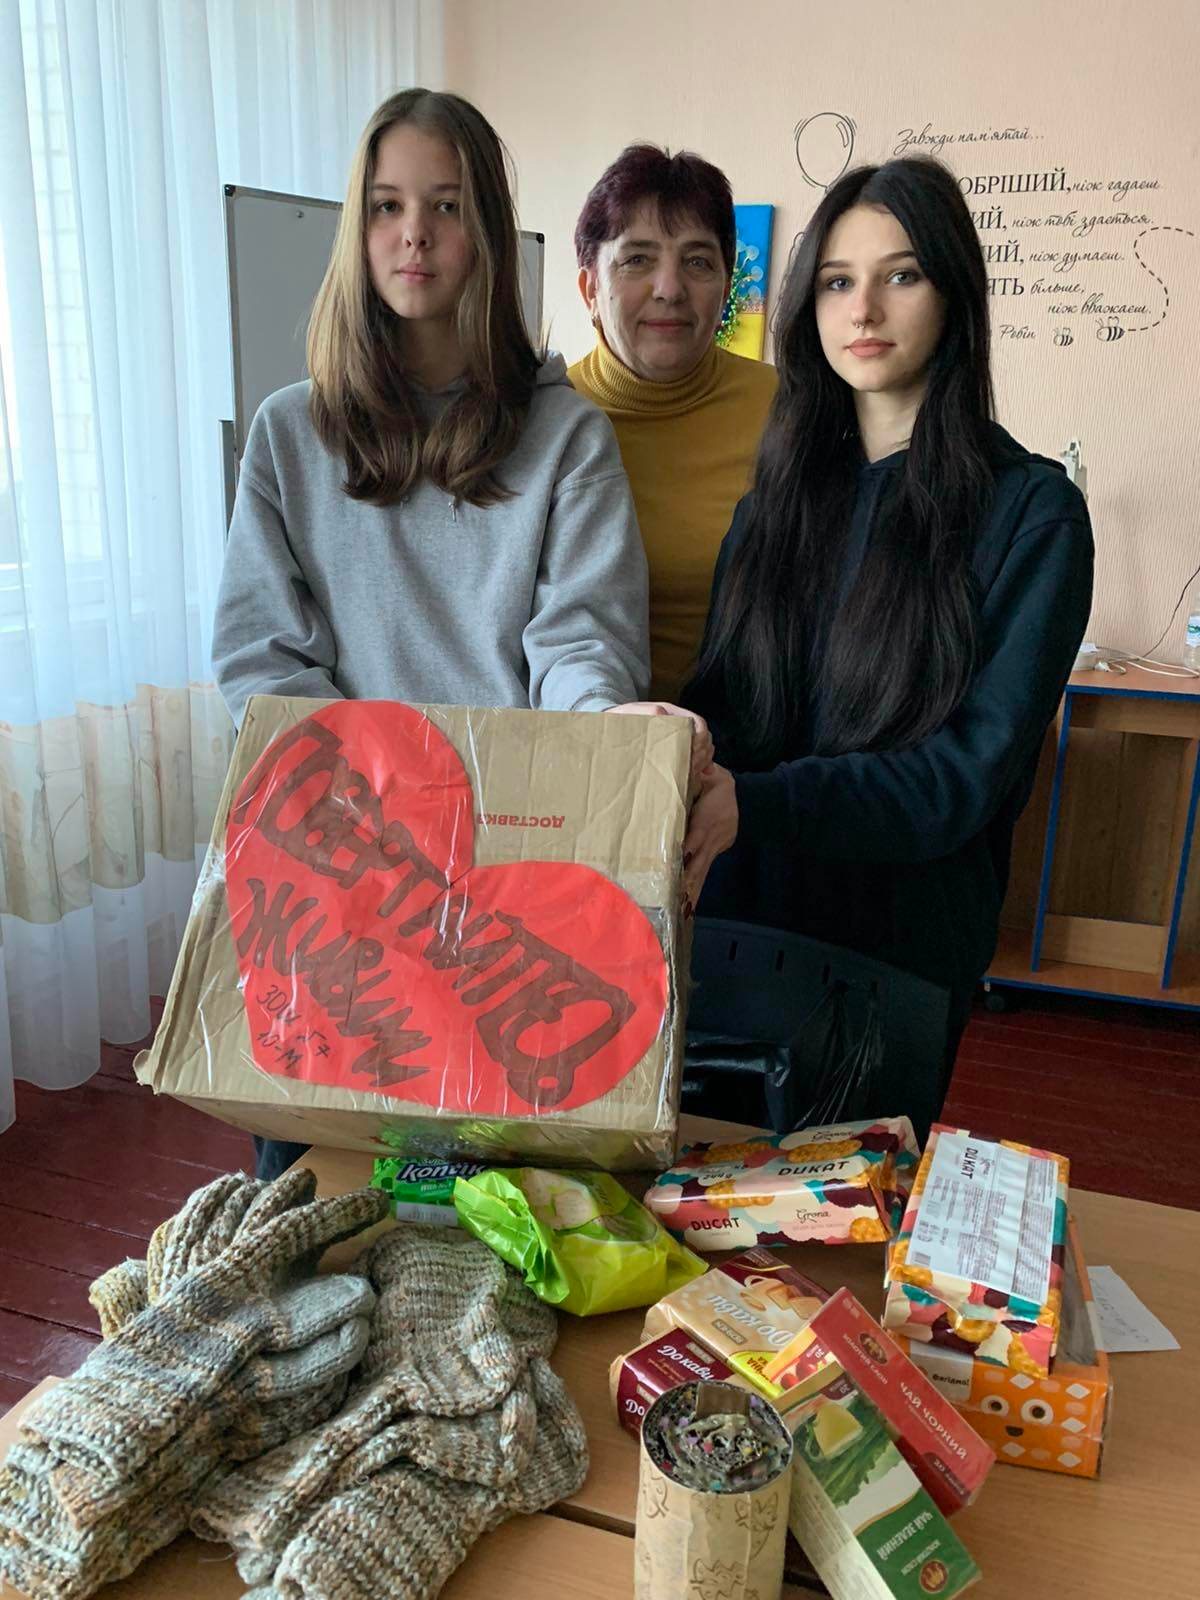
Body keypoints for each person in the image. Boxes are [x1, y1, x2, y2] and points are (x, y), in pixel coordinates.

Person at [213, 89, 659, 1180]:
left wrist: (609, 733)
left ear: (487, 232)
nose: (413, 233)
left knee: (496, 1209)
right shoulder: (288, 430)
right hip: (338, 878)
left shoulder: (567, 436)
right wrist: (381, 831)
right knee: (313, 1198)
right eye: (387, 205)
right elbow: (263, 662)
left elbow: (579, 645)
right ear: (356, 228)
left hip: (505, 884)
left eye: (446, 205)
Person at [681, 156, 1094, 1138]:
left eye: (901, 274)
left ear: (953, 293)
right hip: (724, 940)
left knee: (834, 1231)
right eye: (836, 280)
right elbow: (726, 706)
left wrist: (755, 804)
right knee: (684, 1226)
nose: (863, 307)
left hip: (887, 971)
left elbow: (960, 780)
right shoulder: (772, 507)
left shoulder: (1032, 514)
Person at [569, 146, 778, 702]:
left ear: (727, 287)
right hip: (581, 735)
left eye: (698, 262)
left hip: (753, 740)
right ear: (591, 289)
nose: (669, 288)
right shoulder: (546, 422)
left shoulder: (787, 410)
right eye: (637, 259)